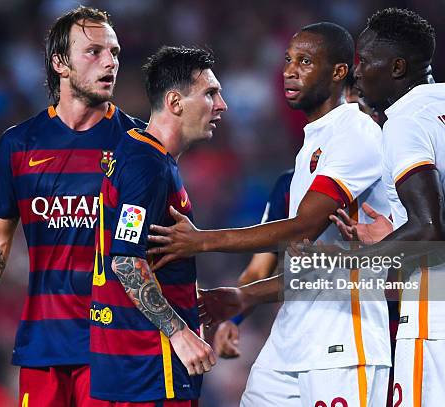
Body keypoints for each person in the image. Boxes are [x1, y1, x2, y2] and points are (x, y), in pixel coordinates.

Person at [149, 23, 391, 406]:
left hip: (343, 341)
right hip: (292, 338)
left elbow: (303, 227)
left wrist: (202, 240)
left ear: (339, 72)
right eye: (288, 60)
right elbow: (313, 266)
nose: (290, 70)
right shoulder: (311, 147)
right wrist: (242, 298)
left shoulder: (355, 130)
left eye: (306, 62)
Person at [0, 6, 144, 406]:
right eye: (94, 51)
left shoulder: (138, 146)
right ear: (60, 63)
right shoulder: (19, 144)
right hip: (43, 346)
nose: (110, 61)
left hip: (112, 346)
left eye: (115, 51)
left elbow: (164, 241)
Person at [330, 8, 445, 406]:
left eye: (364, 61)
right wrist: (398, 235)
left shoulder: (407, 120)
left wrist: (361, 262)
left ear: (397, 67)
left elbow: (431, 230)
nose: (356, 72)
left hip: (442, 315)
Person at [89, 46, 226, 405]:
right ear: (175, 102)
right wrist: (179, 333)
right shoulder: (148, 165)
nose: (221, 105)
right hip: (152, 365)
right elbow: (125, 258)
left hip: (134, 362)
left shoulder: (138, 153)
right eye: (210, 94)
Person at [212, 169, 293, 358]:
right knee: (257, 388)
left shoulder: (351, 181)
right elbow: (258, 271)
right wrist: (231, 318)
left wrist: (202, 240)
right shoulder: (288, 185)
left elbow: (323, 272)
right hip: (291, 331)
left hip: (340, 327)